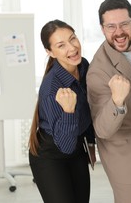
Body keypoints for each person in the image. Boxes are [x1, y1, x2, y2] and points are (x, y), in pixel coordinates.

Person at [86, 0, 131, 203]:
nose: (118, 32)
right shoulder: (97, 72)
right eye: (111, 26)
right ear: (102, 29)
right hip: (123, 152)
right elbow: (102, 129)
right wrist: (117, 101)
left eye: (124, 24)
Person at [28, 19, 96, 203]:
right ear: (50, 52)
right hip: (50, 155)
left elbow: (88, 106)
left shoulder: (83, 67)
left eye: (72, 39)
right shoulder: (52, 89)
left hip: (76, 149)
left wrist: (90, 142)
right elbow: (64, 145)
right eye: (61, 45)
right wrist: (68, 111)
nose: (72, 48)